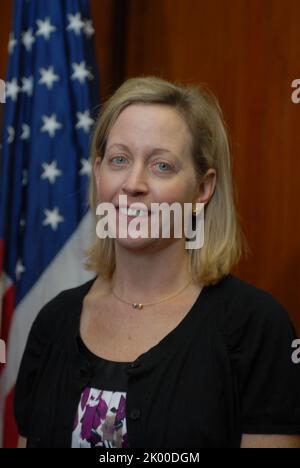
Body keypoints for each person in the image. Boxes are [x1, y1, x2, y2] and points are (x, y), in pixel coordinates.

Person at [15, 77, 300, 448]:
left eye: (161, 165)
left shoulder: (258, 327)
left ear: (202, 189)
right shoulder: (53, 321)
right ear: (99, 172)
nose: (133, 183)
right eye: (119, 159)